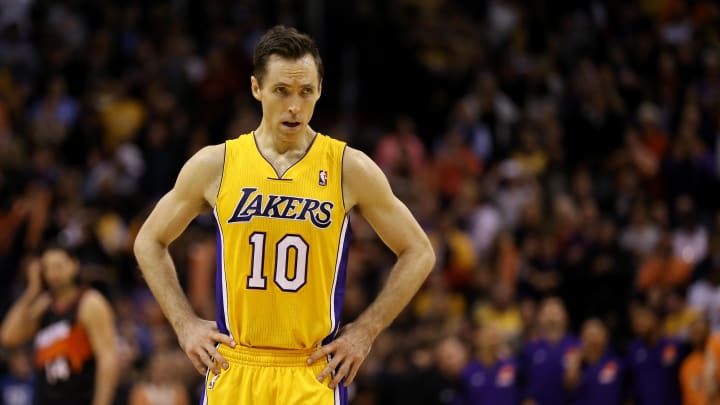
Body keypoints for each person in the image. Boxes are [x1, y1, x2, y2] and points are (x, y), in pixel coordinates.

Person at [133, 25, 435, 404]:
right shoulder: (217, 164)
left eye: (306, 91)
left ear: (320, 91)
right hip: (235, 368)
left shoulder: (348, 168)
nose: (295, 105)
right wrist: (185, 325)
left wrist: (365, 332)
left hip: (311, 371)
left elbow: (419, 252)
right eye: (282, 91)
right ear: (257, 89)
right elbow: (149, 240)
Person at [0, 246, 119, 405]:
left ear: (74, 265)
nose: (53, 273)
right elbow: (8, 336)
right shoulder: (44, 306)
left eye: (59, 266)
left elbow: (108, 359)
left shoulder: (90, 302)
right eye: (48, 268)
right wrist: (31, 291)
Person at [519, 297, 580, 405]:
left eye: (555, 312)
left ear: (565, 316)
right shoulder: (530, 349)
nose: (551, 316)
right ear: (539, 318)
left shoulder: (577, 346)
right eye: (547, 312)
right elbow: (523, 383)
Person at [625, 300, 684, 405]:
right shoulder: (633, 350)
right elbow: (630, 385)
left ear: (656, 319)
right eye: (635, 319)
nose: (638, 322)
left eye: (643, 317)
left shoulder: (674, 345)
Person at [565, 319, 625, 405]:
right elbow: (569, 386)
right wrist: (577, 360)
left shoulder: (616, 362)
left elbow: (627, 394)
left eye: (596, 334)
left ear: (605, 336)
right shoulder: (579, 364)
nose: (593, 339)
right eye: (588, 335)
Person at [462, 324, 519, 405]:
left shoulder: (511, 366)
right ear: (477, 339)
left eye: (495, 337)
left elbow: (523, 393)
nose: (492, 341)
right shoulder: (468, 371)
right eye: (488, 337)